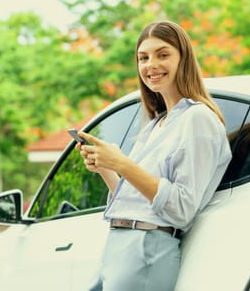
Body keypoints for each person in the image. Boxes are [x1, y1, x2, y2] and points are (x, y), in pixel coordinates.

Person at [76, 20, 232, 291]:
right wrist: (105, 167)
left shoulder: (198, 118)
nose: (151, 65)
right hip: (118, 244)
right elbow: (133, 197)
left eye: (163, 55)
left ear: (184, 60)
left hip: (148, 247)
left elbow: (182, 208)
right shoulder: (157, 123)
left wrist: (122, 163)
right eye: (143, 58)